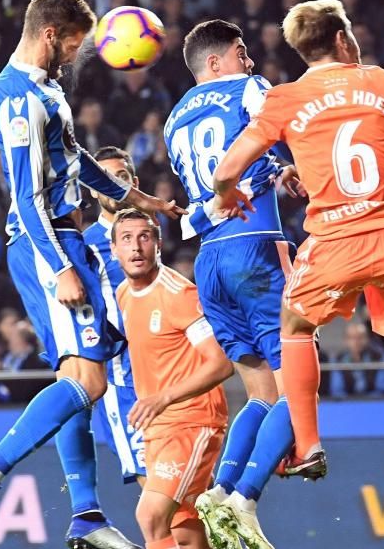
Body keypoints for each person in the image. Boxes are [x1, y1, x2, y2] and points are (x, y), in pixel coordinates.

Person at [212, 0, 384, 539]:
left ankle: (307, 446)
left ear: (303, 50)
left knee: (295, 327)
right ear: (344, 40)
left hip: (332, 241)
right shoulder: (381, 82)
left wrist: (228, 191)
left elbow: (227, 168)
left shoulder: (284, 99)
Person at [0, 0, 183, 549]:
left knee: (78, 375)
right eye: (75, 46)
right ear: (51, 34)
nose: (77, 58)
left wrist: (138, 198)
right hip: (46, 243)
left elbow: (74, 159)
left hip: (66, 238)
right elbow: (26, 197)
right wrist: (59, 267)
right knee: (89, 380)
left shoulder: (46, 87)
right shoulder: (17, 99)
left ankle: (85, 514)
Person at [160, 19, 297, 549]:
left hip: (208, 261)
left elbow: (220, 176)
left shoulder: (173, 120)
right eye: (242, 52)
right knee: (300, 384)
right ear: (215, 62)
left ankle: (219, 492)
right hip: (255, 244)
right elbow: (283, 129)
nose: (252, 61)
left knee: (260, 392)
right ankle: (245, 500)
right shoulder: (247, 89)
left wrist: (273, 170)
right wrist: (290, 167)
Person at [112, 208, 230, 549]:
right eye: (127, 239)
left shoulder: (178, 294)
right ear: (115, 250)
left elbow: (220, 363)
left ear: (159, 245)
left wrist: (163, 398)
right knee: (185, 530)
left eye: (145, 237)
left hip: (193, 421)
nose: (136, 247)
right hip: (158, 426)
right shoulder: (123, 294)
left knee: (150, 516)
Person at [83, 147, 147, 490]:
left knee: (188, 485)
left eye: (119, 178)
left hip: (167, 374)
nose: (111, 185)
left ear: (133, 183)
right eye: (102, 178)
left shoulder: (148, 237)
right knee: (155, 490)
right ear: (92, 188)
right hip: (124, 381)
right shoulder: (86, 245)